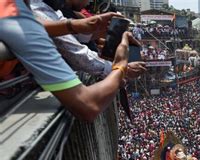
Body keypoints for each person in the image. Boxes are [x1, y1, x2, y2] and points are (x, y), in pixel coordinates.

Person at [0, 0, 136, 121]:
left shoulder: (21, 10)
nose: (89, 3)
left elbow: (42, 24)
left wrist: (74, 26)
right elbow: (88, 105)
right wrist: (120, 65)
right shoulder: (18, 20)